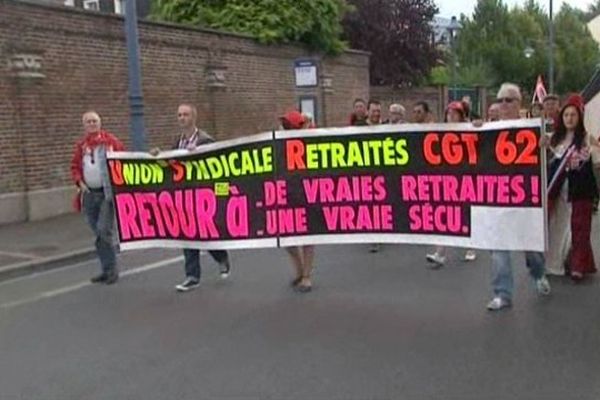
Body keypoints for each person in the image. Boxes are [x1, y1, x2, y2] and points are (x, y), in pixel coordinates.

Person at [150, 104, 232, 292]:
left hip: (202, 195)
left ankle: (221, 256)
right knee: (187, 234)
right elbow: (170, 166)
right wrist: (158, 157)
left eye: (185, 114)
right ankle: (192, 276)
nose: (182, 118)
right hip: (183, 196)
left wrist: (200, 155)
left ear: (194, 117)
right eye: (179, 115)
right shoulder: (177, 141)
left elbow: (216, 164)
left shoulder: (205, 140)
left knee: (204, 233)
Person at [486, 83, 551, 311]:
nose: (503, 105)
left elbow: (552, 155)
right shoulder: (487, 130)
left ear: (518, 104)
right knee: (498, 248)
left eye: (509, 100)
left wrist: (545, 146)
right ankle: (502, 293)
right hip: (496, 198)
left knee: (531, 247)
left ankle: (538, 273)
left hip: (524, 198)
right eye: (500, 100)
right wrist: (472, 130)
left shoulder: (532, 128)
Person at [544, 95, 598, 281]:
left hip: (580, 190)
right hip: (557, 189)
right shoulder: (554, 139)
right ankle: (554, 261)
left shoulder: (585, 139)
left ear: (579, 117)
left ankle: (578, 265)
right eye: (566, 115)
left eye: (573, 115)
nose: (569, 118)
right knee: (556, 225)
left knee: (579, 227)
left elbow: (593, 161)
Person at [70, 111, 124, 284]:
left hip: (106, 194)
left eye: (94, 121)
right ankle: (105, 268)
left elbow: (124, 160)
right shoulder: (81, 146)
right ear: (84, 125)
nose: (92, 124)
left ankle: (112, 271)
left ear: (100, 123)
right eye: (88, 122)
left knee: (103, 230)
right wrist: (79, 182)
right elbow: (75, 166)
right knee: (98, 234)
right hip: (89, 195)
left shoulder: (111, 142)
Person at [425, 101, 477, 267]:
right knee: (444, 214)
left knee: (465, 213)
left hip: (465, 178)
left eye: (455, 113)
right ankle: (440, 252)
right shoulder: (440, 131)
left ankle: (471, 247)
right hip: (446, 179)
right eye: (449, 113)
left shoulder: (470, 129)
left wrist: (477, 126)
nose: (451, 116)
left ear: (461, 116)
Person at [280, 110, 316, 293]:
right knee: (286, 238)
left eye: (288, 125)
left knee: (307, 237)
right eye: (283, 125)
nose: (283, 128)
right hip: (285, 194)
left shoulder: (310, 143)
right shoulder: (278, 144)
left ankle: (307, 276)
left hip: (306, 193)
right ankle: (300, 270)